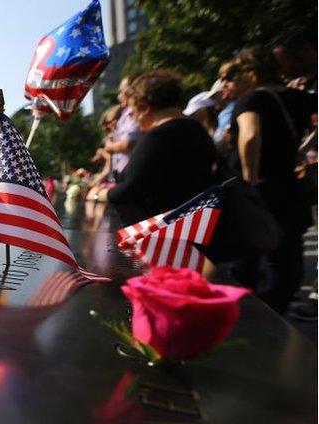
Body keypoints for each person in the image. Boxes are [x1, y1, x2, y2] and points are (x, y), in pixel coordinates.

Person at [221, 47, 316, 314]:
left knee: (248, 259)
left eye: (232, 76)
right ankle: (279, 315)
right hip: (289, 186)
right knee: (287, 259)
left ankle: (256, 320)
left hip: (261, 190)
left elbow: (250, 135)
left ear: (250, 72)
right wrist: (301, 150)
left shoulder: (251, 100)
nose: (229, 84)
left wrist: (251, 180)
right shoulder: (299, 98)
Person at [92, 70, 218, 225]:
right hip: (195, 225)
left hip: (165, 231)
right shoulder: (198, 131)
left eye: (133, 110)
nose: (131, 116)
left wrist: (100, 194)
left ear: (145, 108)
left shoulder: (156, 138)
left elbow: (131, 190)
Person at [95, 76, 141, 183]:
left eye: (122, 91)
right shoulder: (126, 114)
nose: (119, 96)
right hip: (123, 174)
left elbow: (128, 143)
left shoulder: (133, 113)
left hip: (133, 174)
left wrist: (110, 146)